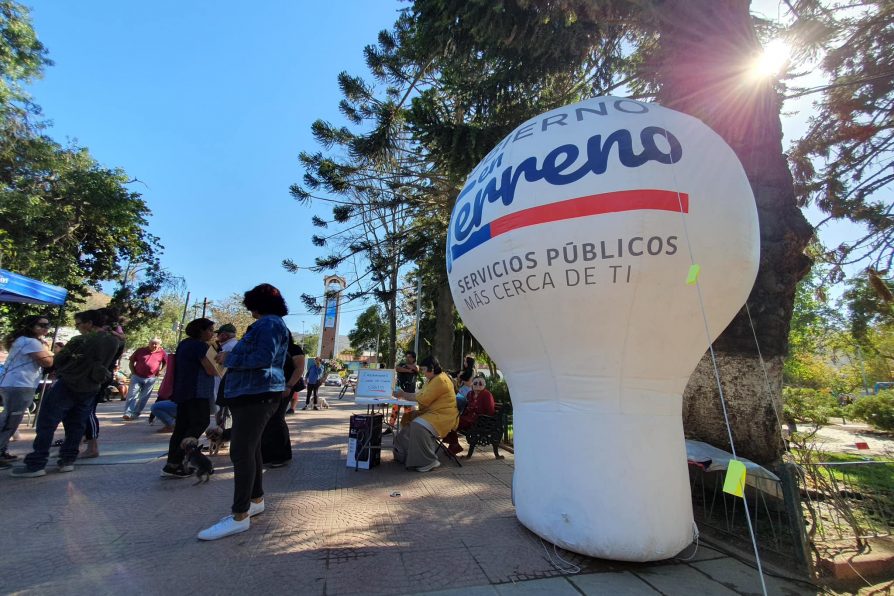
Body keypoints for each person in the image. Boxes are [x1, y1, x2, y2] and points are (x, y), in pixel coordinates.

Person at [197, 283, 289, 541]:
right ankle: (255, 499)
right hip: (253, 393)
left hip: (256, 394)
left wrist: (230, 359)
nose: (249, 311)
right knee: (252, 448)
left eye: (250, 306)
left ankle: (239, 516)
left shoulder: (268, 324)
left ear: (257, 304)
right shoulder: (271, 324)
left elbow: (264, 356)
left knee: (241, 451)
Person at [11, 310, 121, 477]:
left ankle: (36, 463)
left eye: (79, 324)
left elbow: (59, 361)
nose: (77, 328)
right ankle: (67, 460)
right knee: (76, 424)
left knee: (47, 422)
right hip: (91, 386)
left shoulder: (80, 340)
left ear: (89, 323)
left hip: (69, 383)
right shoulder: (114, 341)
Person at [160, 318, 218, 479]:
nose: (212, 333)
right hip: (197, 391)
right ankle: (182, 457)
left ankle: (172, 464)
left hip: (183, 391)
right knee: (200, 422)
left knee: (181, 427)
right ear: (201, 330)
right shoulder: (200, 346)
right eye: (210, 330)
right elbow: (211, 370)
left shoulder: (184, 344)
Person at [0, 316, 54, 468]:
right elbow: (47, 361)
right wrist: (48, 351)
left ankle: (2, 449)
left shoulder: (21, 340)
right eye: (41, 324)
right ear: (31, 326)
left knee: (10, 417)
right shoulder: (30, 342)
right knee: (11, 419)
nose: (46, 327)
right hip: (20, 384)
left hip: (12, 383)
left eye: (47, 324)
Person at [391, 355, 458, 472]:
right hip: (432, 413)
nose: (422, 373)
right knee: (408, 419)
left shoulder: (440, 380)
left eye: (423, 370)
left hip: (443, 417)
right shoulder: (432, 379)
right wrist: (404, 394)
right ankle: (403, 455)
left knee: (417, 425)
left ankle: (430, 461)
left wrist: (402, 394)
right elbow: (420, 395)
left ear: (431, 368)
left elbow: (423, 398)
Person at [261, 331, 305, 466]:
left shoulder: (294, 349)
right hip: (269, 387)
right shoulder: (273, 348)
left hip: (285, 387)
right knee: (268, 419)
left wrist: (289, 385)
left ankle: (281, 456)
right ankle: (267, 455)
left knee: (277, 418)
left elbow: (299, 368)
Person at [443, 376, 496, 454]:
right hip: (469, 418)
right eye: (475, 383)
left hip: (480, 422)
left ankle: (454, 445)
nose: (478, 385)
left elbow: (490, 412)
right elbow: (466, 408)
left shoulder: (486, 395)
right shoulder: (470, 394)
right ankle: (454, 445)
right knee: (449, 420)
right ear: (472, 385)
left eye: (481, 383)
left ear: (484, 385)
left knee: (452, 422)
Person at [122, 337, 167, 420]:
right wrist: (133, 372)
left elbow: (166, 362)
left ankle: (135, 414)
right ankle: (128, 413)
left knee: (143, 397)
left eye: (156, 344)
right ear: (149, 343)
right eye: (152, 343)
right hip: (137, 376)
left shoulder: (162, 353)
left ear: (159, 345)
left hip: (151, 378)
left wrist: (161, 371)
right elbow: (131, 361)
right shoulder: (140, 350)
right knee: (132, 394)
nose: (154, 345)